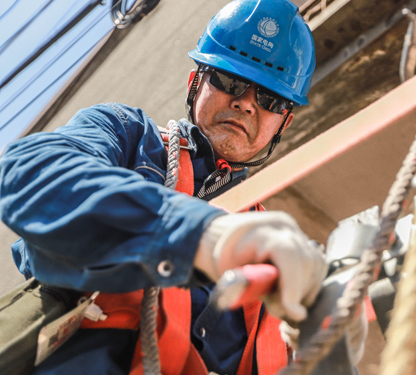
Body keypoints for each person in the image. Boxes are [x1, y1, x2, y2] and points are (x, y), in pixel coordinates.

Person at [0, 0, 339, 374]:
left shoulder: (276, 252)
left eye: (269, 99)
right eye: (231, 81)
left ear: (283, 124)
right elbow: (29, 170)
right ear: (196, 84)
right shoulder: (128, 137)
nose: (245, 104)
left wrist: (336, 356)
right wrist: (198, 234)